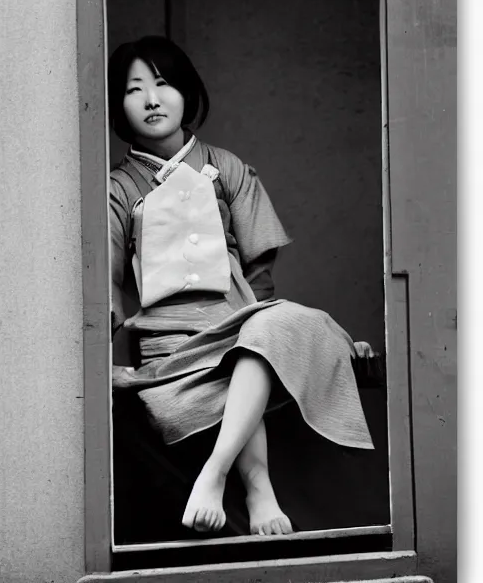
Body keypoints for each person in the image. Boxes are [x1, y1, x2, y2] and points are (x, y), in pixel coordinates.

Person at [108, 35, 374, 537]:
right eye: (134, 89)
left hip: (241, 321)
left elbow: (260, 270)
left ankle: (220, 473)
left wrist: (258, 316)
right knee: (241, 365)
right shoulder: (117, 188)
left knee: (272, 331)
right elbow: (106, 288)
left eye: (162, 85)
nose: (151, 99)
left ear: (185, 92)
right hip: (171, 344)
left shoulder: (227, 168)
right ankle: (258, 486)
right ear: (119, 105)